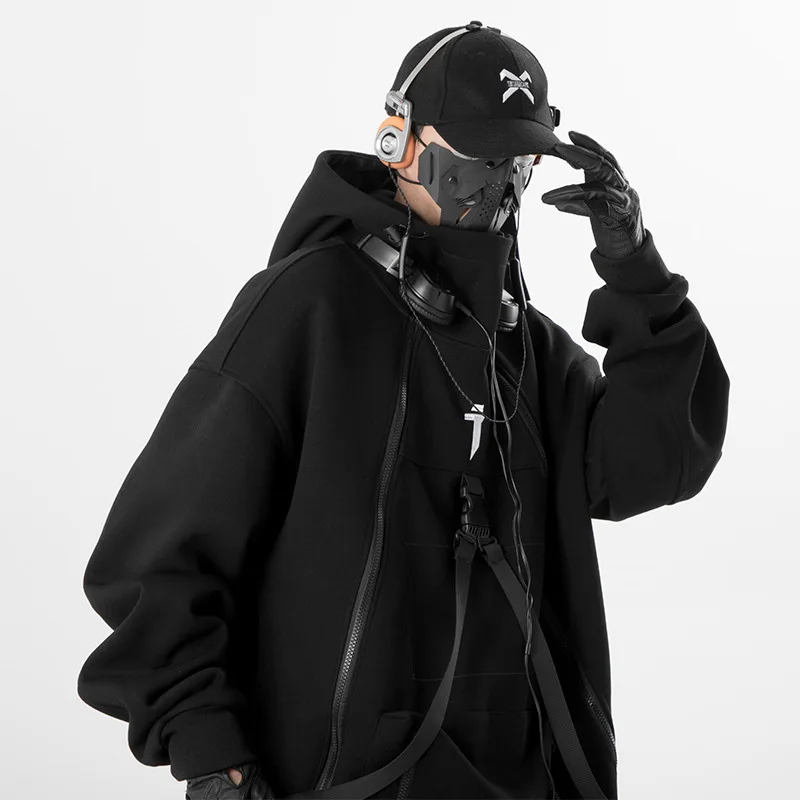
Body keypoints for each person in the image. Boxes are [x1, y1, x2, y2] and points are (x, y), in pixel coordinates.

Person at [77, 20, 730, 800]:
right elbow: (155, 559)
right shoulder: (307, 311)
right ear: (399, 143)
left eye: (515, 165)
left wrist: (634, 267)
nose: (496, 191)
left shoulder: (530, 351)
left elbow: (659, 460)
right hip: (343, 782)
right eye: (472, 161)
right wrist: (213, 754)